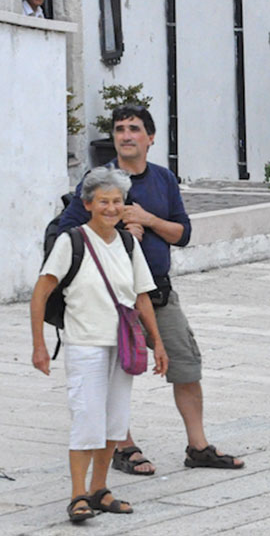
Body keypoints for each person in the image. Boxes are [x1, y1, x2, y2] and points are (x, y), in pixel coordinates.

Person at [58, 105, 244, 475]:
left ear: (151, 138)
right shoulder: (97, 182)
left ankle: (198, 446)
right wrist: (118, 234)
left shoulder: (163, 179)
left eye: (134, 129)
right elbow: (68, 234)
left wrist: (148, 219)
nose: (126, 135)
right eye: (120, 129)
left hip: (158, 293)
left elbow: (183, 234)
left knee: (186, 366)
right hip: (111, 298)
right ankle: (123, 447)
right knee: (117, 372)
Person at [30, 167, 169, 523]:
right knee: (86, 420)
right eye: (103, 201)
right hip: (85, 344)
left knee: (114, 421)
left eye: (117, 201)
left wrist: (158, 343)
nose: (111, 207)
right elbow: (41, 292)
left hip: (123, 343)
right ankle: (78, 495)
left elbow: (141, 296)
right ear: (88, 203)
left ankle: (100, 489)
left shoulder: (127, 243)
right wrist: (39, 345)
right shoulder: (71, 240)